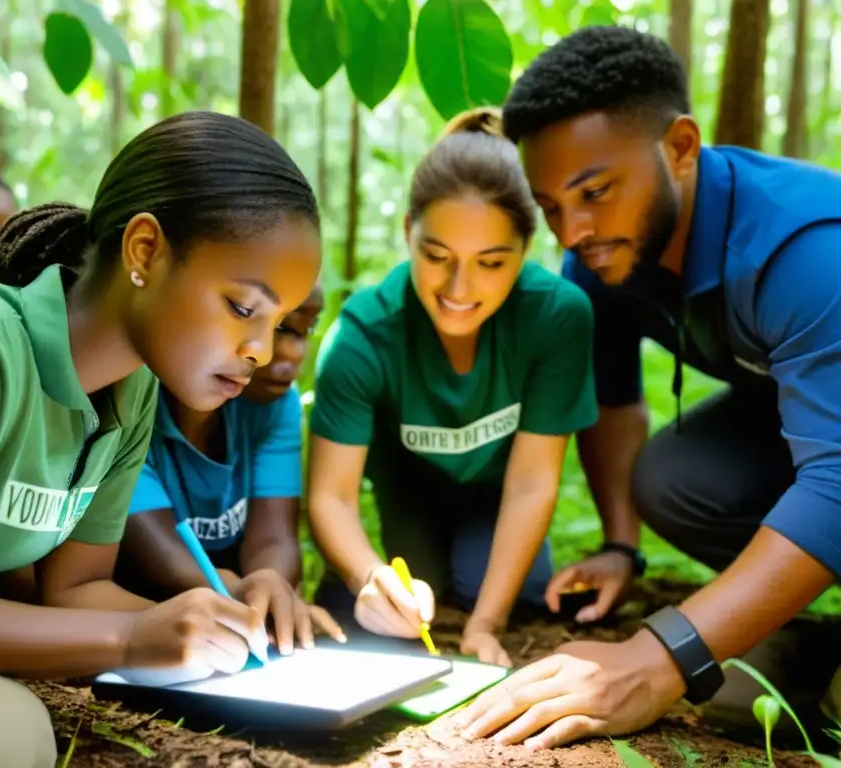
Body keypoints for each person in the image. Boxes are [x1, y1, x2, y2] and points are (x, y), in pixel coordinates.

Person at [0, 110, 322, 768]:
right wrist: (131, 636)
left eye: (279, 320)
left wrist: (212, 620)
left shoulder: (130, 391)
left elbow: (74, 590)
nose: (259, 349)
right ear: (145, 250)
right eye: (243, 307)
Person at [455, 26, 841, 750]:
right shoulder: (603, 262)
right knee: (671, 478)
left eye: (596, 191)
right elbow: (613, 402)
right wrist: (619, 548)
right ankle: (807, 636)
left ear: (681, 148)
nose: (573, 232)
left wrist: (658, 661)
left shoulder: (807, 250)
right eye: (551, 206)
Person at [307, 108, 598, 666]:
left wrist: (488, 624)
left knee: (510, 587)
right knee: (406, 601)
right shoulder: (363, 333)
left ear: (526, 248)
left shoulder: (558, 316)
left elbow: (534, 480)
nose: (459, 288)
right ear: (407, 231)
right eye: (436, 256)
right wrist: (367, 576)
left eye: (491, 262)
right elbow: (332, 495)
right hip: (409, 492)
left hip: (498, 494)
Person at [117, 285, 347, 655]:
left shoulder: (276, 406)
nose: (293, 353)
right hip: (138, 607)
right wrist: (240, 592)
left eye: (306, 331)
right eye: (282, 329)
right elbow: (156, 552)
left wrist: (270, 587)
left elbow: (275, 538)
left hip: (230, 612)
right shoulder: (132, 400)